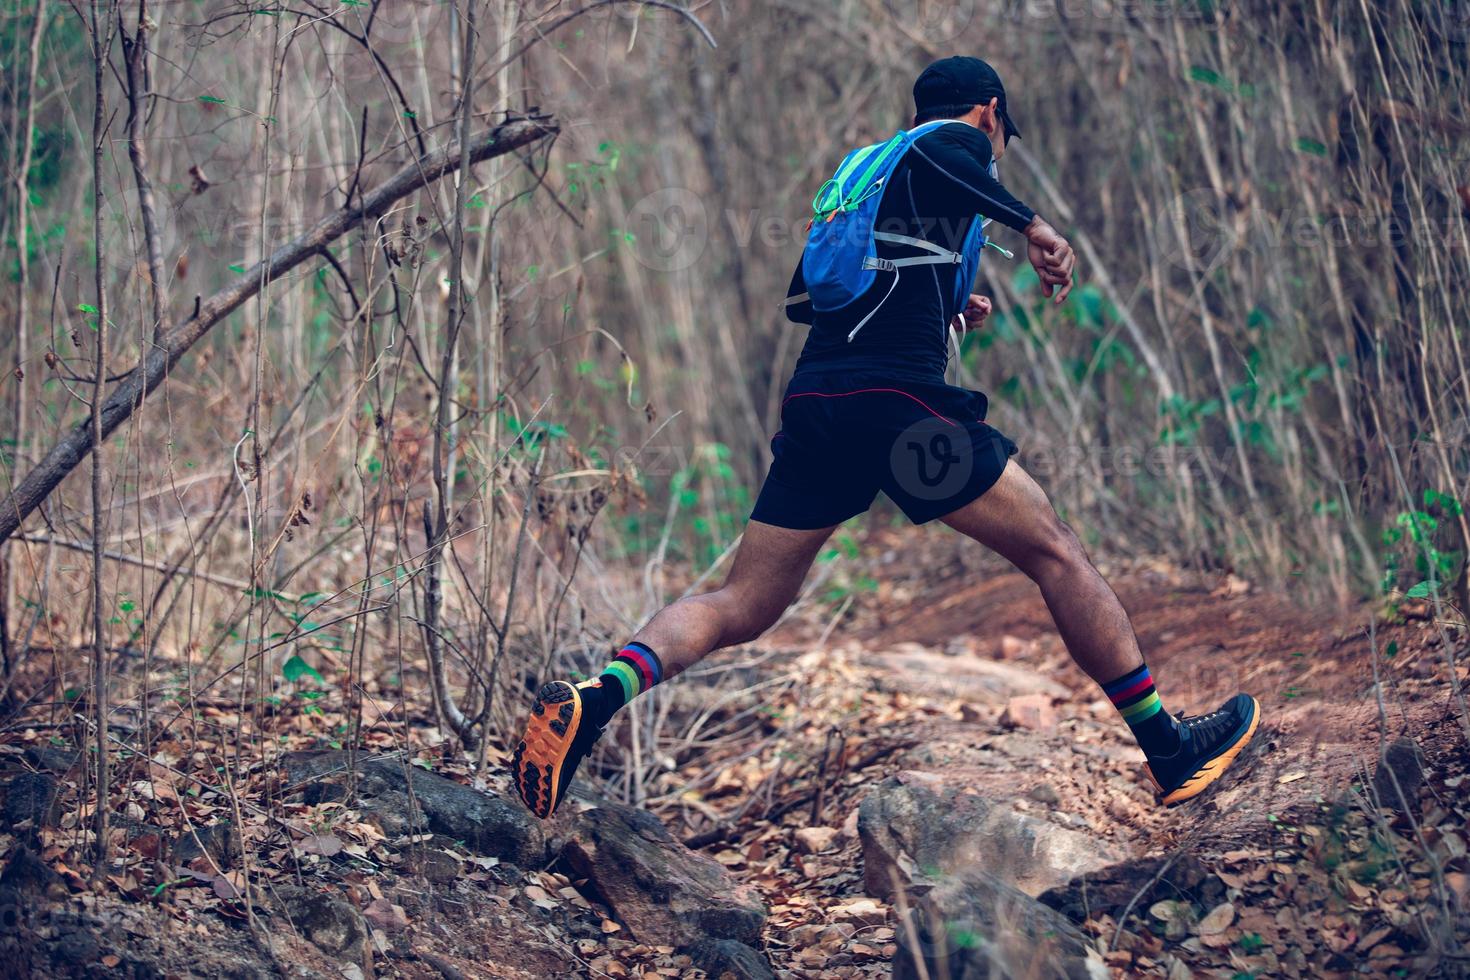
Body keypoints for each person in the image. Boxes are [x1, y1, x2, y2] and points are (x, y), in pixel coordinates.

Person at [511, 56, 1260, 819]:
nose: (993, 147)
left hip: (818, 406)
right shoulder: (950, 144)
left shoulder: (863, 171)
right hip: (899, 414)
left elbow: (814, 296)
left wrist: (947, 303)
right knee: (1057, 552)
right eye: (997, 133)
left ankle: (595, 698)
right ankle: (1170, 749)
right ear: (989, 113)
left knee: (742, 599)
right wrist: (1033, 224)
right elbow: (949, 159)